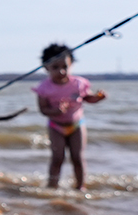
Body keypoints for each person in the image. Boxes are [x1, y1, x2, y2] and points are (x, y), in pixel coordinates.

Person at [33, 43, 106, 190]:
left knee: (77, 158)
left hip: (77, 125)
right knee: (57, 158)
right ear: (46, 67)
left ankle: (80, 187)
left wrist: (97, 98)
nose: (61, 71)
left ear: (71, 65)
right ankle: (52, 186)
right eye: (55, 67)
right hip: (56, 126)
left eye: (65, 67)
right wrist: (56, 111)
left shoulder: (79, 84)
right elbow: (43, 110)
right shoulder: (44, 88)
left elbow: (87, 98)